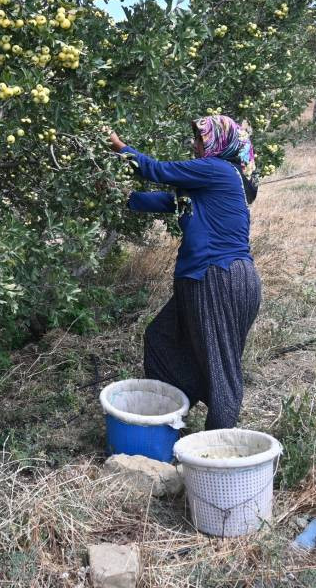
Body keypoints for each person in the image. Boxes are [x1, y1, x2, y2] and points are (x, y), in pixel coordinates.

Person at [108, 116, 263, 431]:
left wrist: (119, 146)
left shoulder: (217, 169)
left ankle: (215, 455)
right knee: (160, 337)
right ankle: (172, 416)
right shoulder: (209, 185)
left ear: (220, 143)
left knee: (221, 369)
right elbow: (167, 201)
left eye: (201, 140)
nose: (194, 145)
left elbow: (158, 171)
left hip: (217, 277)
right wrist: (119, 197)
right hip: (213, 279)